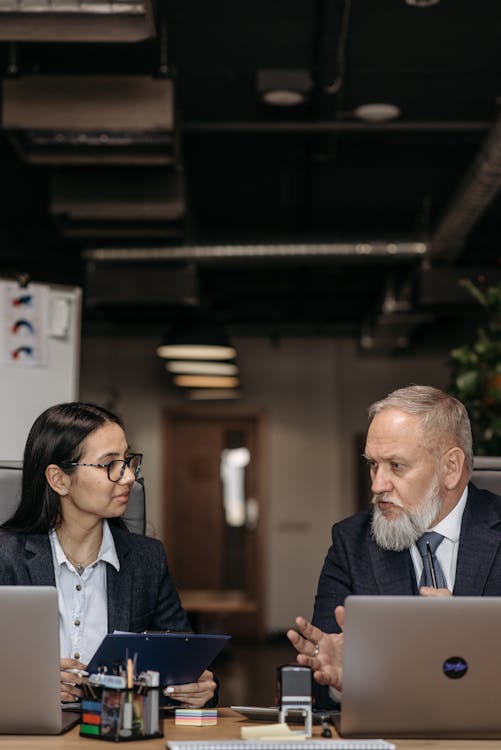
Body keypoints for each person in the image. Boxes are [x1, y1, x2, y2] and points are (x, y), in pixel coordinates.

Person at [287, 384, 501, 703]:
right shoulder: (351, 543)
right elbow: (320, 678)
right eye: (374, 464)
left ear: (451, 468)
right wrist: (340, 681)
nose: (377, 485)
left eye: (396, 466)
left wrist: (471, 638)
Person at [0, 402, 216, 707]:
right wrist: (25, 684)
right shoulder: (6, 557)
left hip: (118, 733)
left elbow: (185, 660)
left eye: (128, 461)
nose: (128, 477)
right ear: (59, 479)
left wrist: (201, 688)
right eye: (109, 464)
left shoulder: (146, 560)